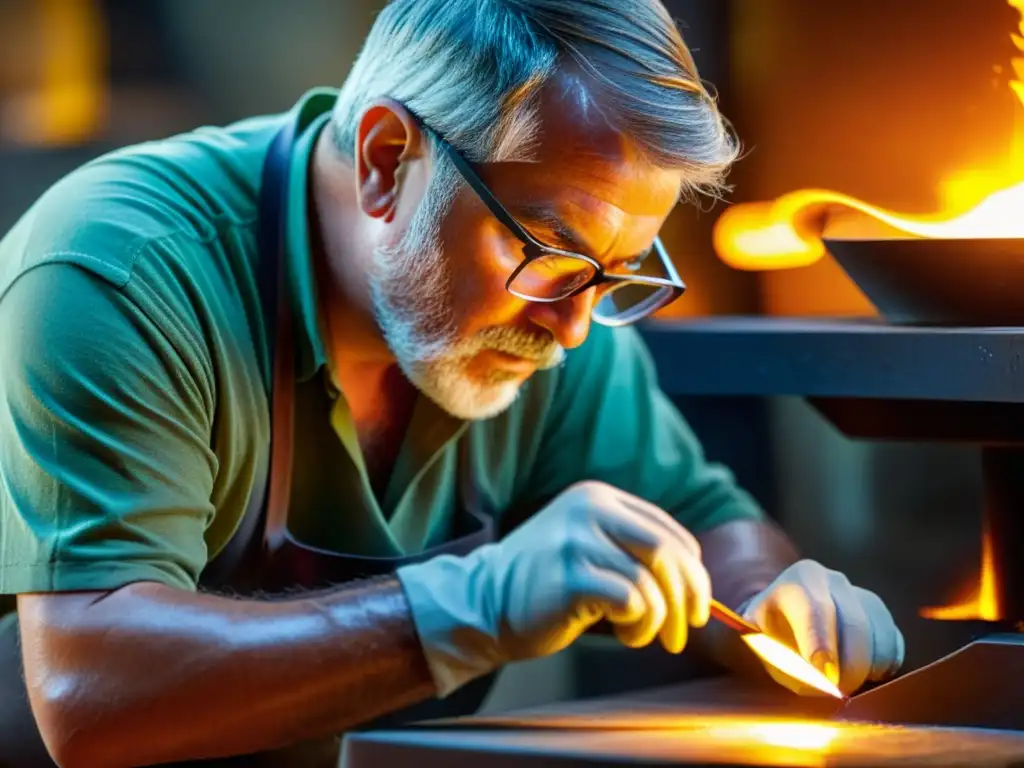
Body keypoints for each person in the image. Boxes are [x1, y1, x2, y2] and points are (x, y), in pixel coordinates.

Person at [0, 0, 905, 765]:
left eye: (620, 273)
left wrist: (776, 600)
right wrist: (465, 607)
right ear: (387, 159)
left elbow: (710, 526)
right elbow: (93, 693)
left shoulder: (550, 315)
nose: (576, 326)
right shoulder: (122, 271)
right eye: (550, 252)